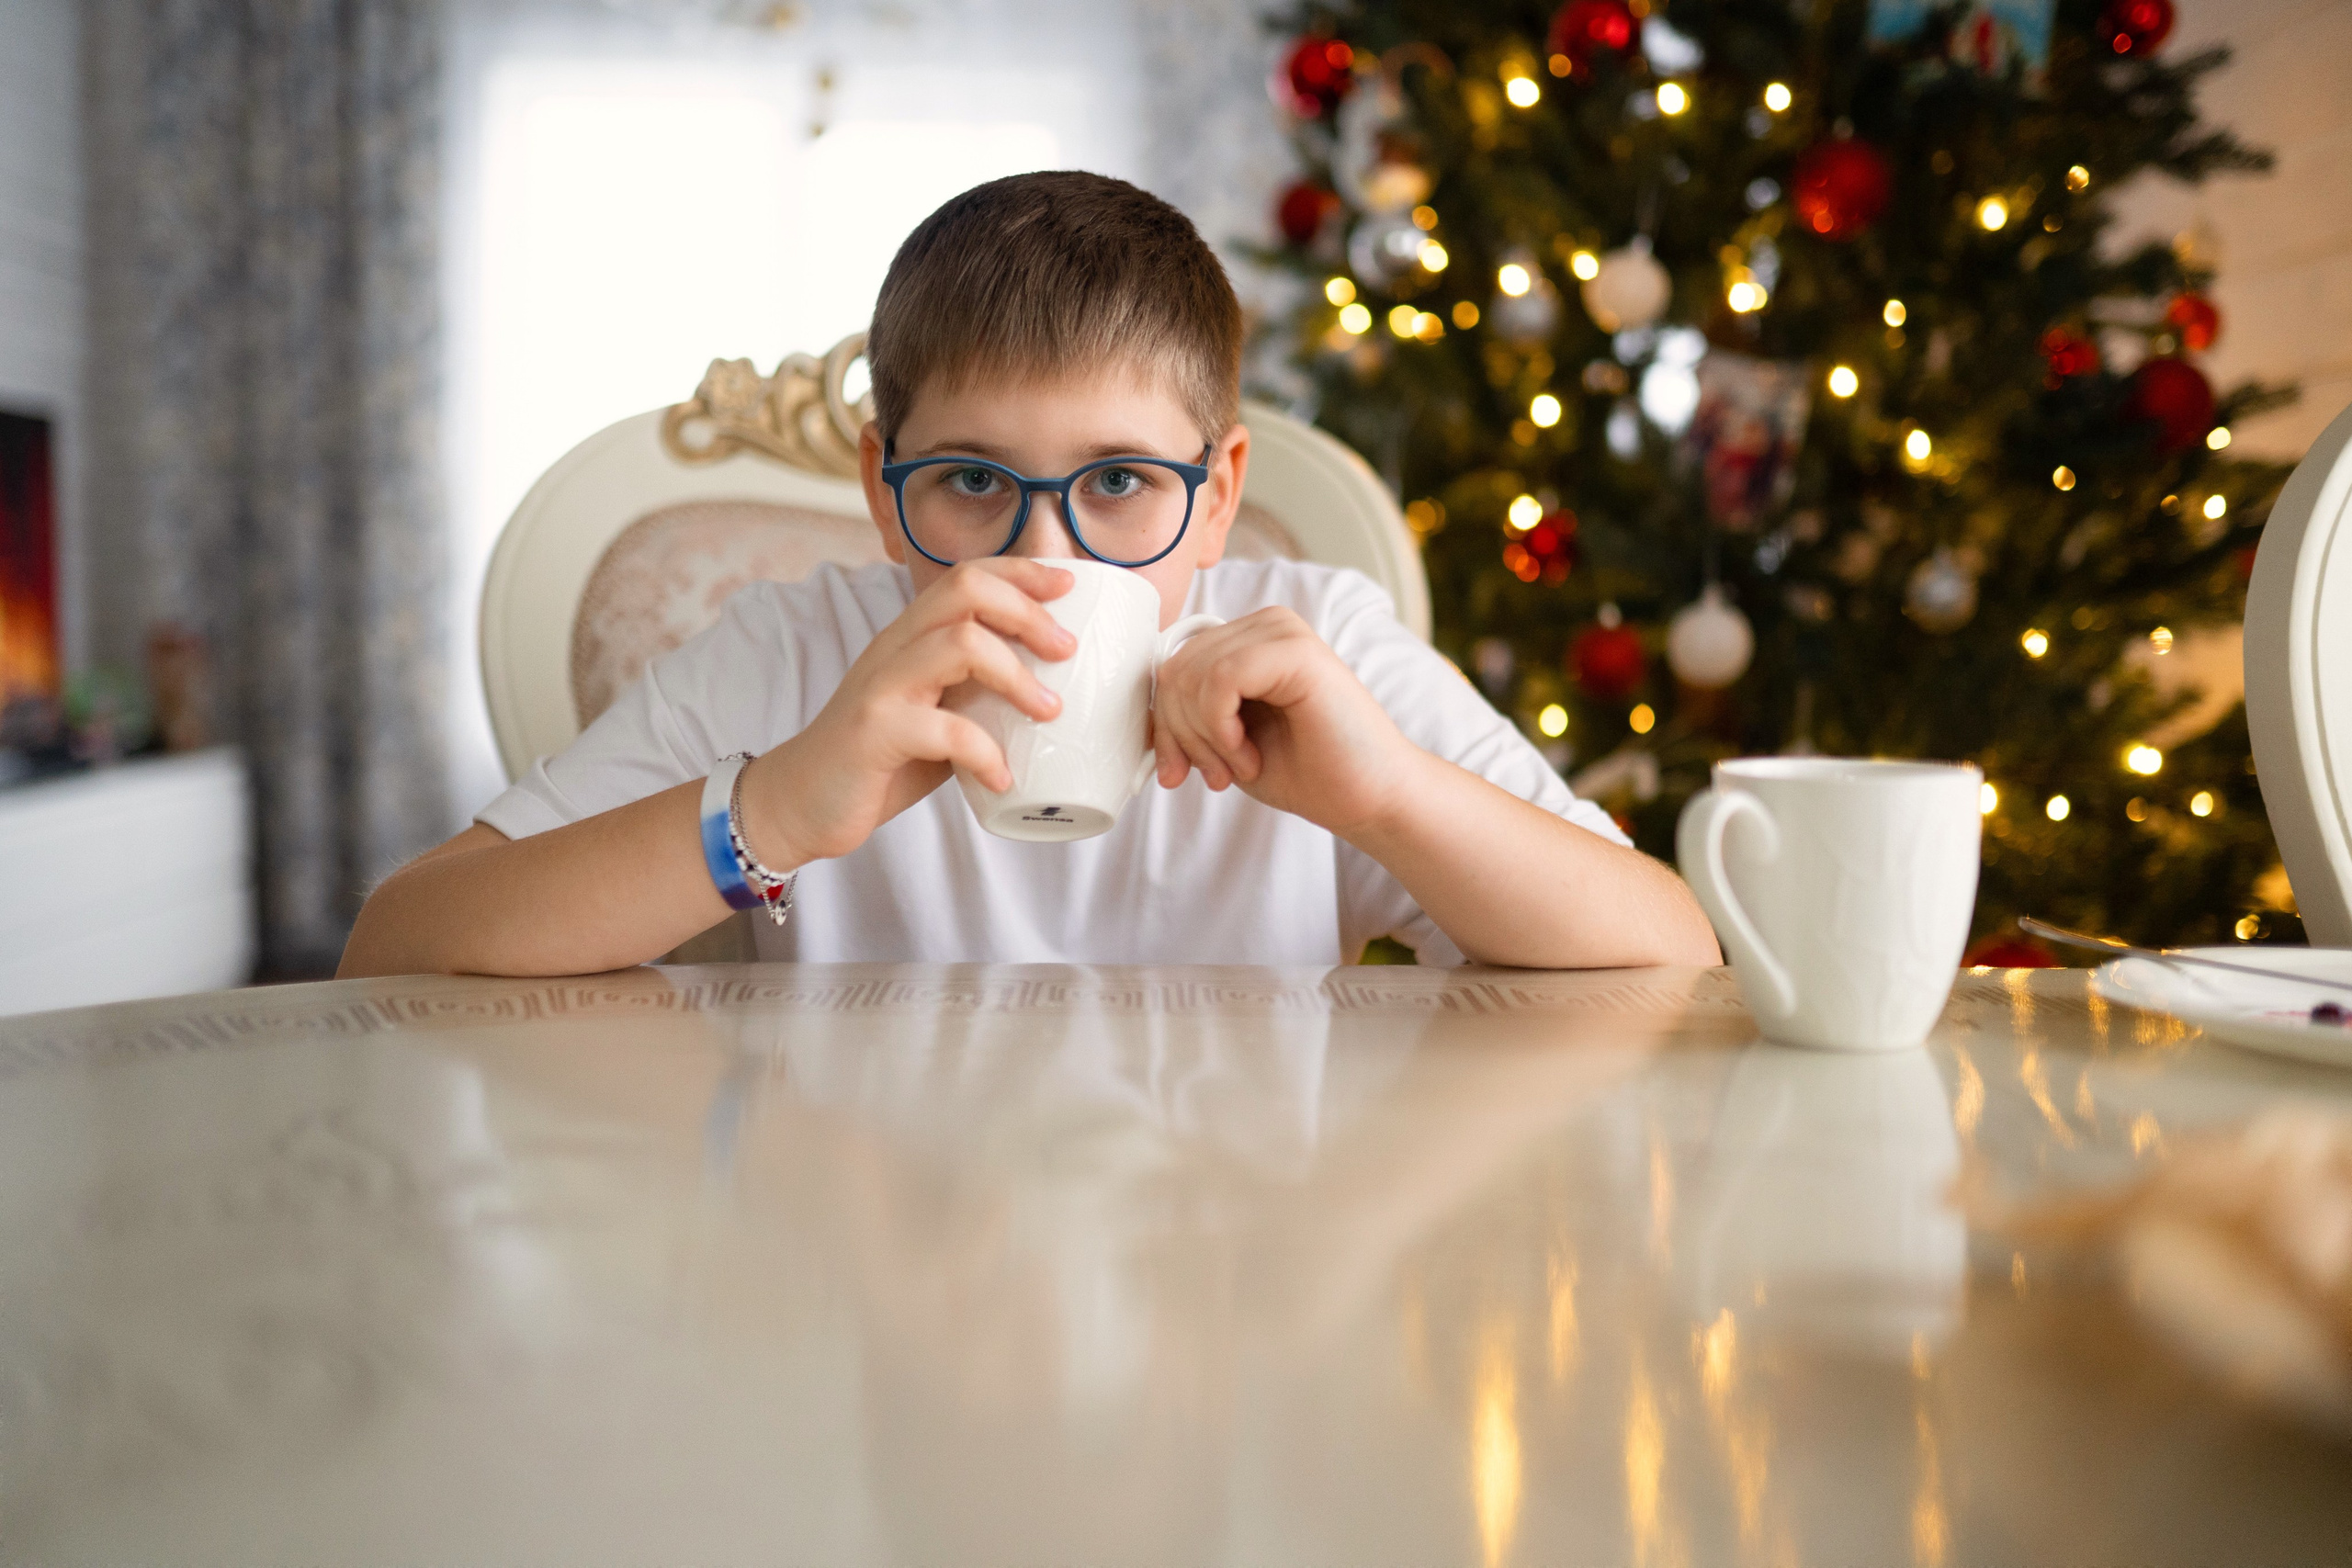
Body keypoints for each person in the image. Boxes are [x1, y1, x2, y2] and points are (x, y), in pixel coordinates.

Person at [340, 172, 1718, 978]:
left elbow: (1669, 951)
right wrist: (769, 807)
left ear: (1219, 496)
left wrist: (1385, 796)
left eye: (1121, 483)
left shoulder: (1318, 654)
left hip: (1234, 1278)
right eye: (973, 484)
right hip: (874, 1267)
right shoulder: (797, 655)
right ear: (886, 490)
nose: (1042, 561)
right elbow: (399, 949)